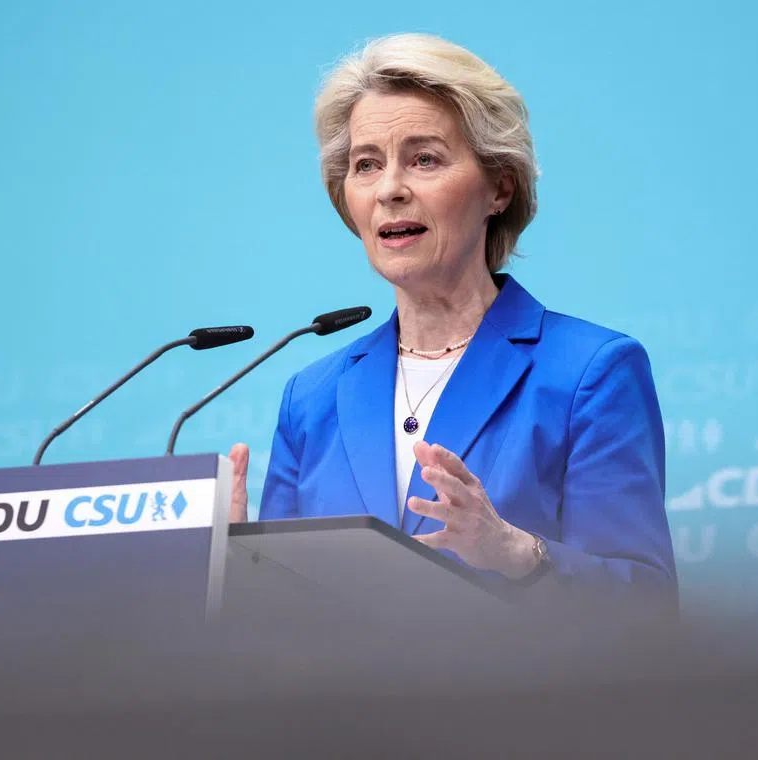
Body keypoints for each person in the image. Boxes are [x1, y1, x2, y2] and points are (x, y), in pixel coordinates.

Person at [229, 33, 676, 602]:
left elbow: (648, 609)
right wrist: (239, 570)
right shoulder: (311, 400)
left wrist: (517, 553)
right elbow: (279, 628)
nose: (390, 189)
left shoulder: (590, 373)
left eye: (424, 159)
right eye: (366, 165)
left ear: (499, 187)